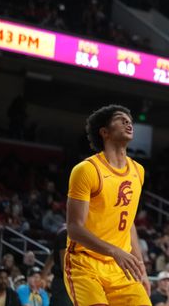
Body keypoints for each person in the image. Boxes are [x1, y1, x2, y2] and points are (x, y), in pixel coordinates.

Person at [65, 104, 151, 305]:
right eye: (121, 119)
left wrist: (141, 267)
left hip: (120, 268)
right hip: (85, 263)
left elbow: (129, 223)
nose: (128, 122)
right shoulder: (86, 170)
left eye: (129, 120)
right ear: (104, 132)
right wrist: (114, 251)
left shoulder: (138, 171)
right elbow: (74, 228)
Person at [43, 226, 72, 306]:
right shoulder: (66, 234)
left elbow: (52, 254)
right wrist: (43, 276)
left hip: (68, 282)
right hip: (64, 283)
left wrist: (43, 275)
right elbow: (64, 267)